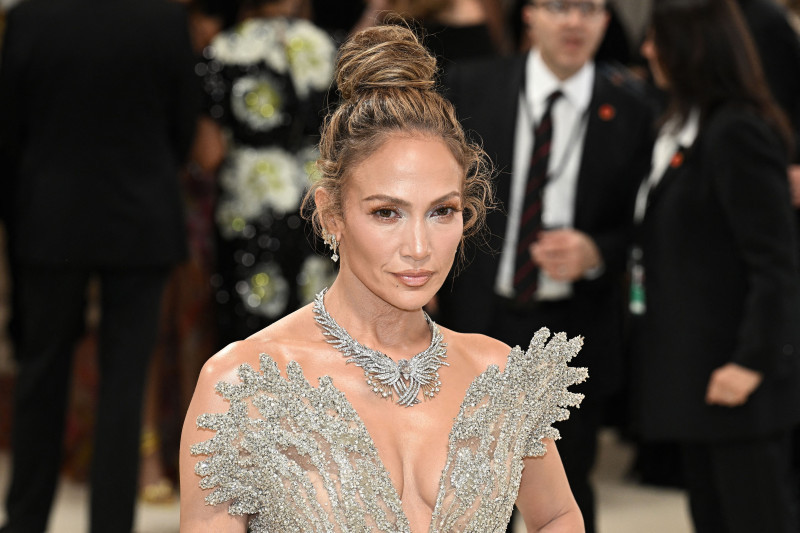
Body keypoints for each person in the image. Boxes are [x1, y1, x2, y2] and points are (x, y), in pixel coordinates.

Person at [180, 23, 587, 532]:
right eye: (386, 213)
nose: (419, 248)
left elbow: (557, 515)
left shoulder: (497, 375)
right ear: (331, 215)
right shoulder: (244, 385)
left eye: (441, 212)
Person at [435, 1, 654, 531]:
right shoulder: (470, 87)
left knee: (565, 493)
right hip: (476, 315)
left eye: (590, 9)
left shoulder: (632, 105)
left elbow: (651, 227)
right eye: (559, 6)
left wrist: (599, 252)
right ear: (530, 14)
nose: (574, 22)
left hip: (574, 328)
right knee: (462, 493)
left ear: (607, 21)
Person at [0, 0, 198, 531]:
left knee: (41, 371)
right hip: (140, 218)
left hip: (50, 219)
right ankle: (111, 523)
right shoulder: (163, 19)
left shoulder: (30, 19)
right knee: (125, 382)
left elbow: (9, 132)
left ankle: (24, 520)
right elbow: (183, 129)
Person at [634, 0, 800, 530]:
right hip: (700, 382)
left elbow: (776, 262)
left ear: (691, 46)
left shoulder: (736, 133)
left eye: (657, 39)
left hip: (739, 385)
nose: (647, 51)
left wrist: (751, 362)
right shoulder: (682, 127)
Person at [196, 0, 338, 349]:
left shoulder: (220, 53)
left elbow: (209, 154)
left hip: (251, 204)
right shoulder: (330, 47)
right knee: (319, 324)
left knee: (252, 333)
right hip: (316, 199)